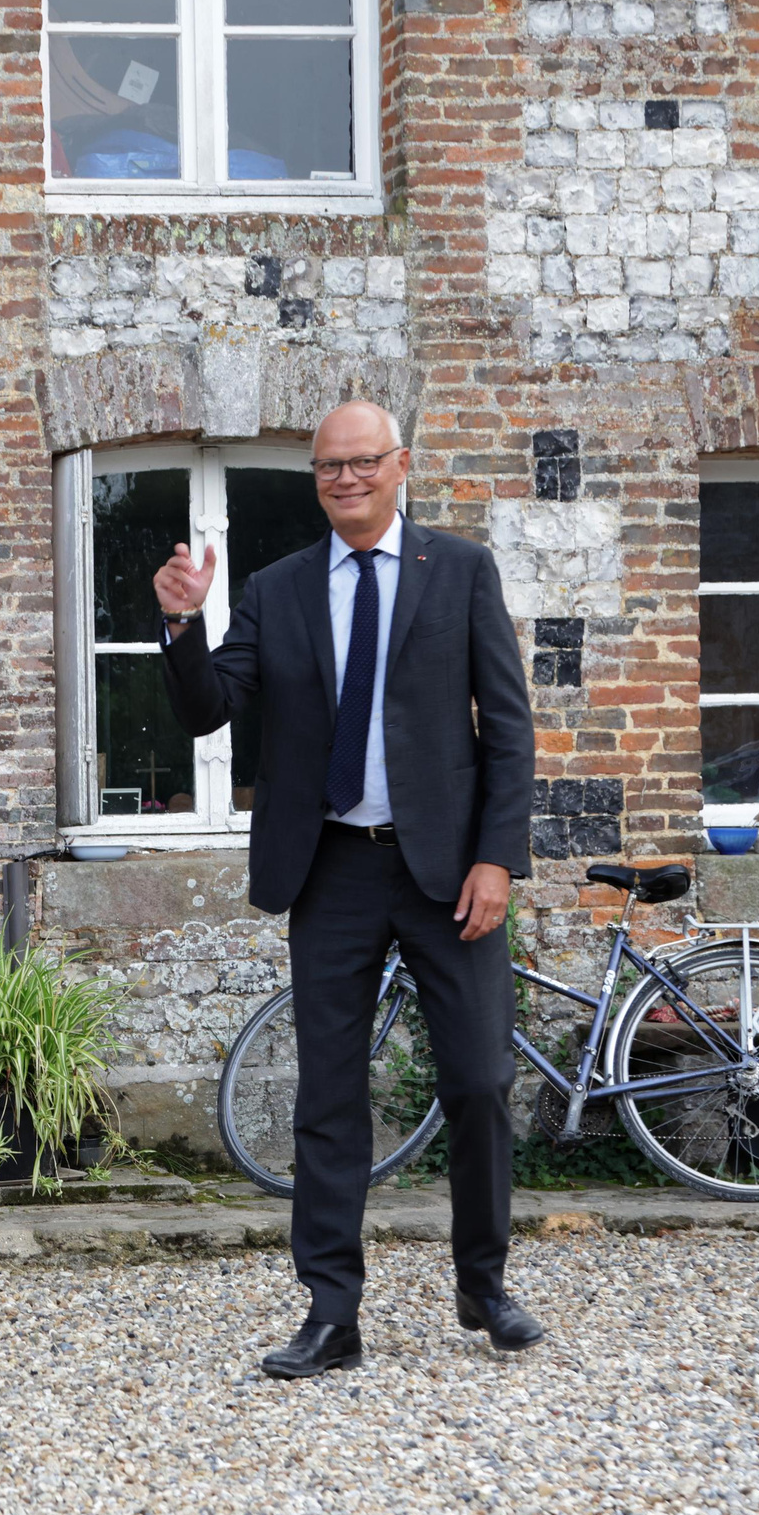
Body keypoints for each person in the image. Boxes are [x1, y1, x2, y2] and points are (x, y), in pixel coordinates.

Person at [154, 403, 542, 1379]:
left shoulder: (459, 570)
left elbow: (508, 725)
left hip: (448, 872)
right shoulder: (280, 588)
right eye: (328, 466)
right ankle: (332, 1312)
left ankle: (484, 1283)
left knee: (479, 1080)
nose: (345, 479)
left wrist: (497, 858)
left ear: (400, 465)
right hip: (330, 868)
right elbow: (208, 710)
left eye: (363, 461)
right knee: (327, 1095)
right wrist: (182, 622)